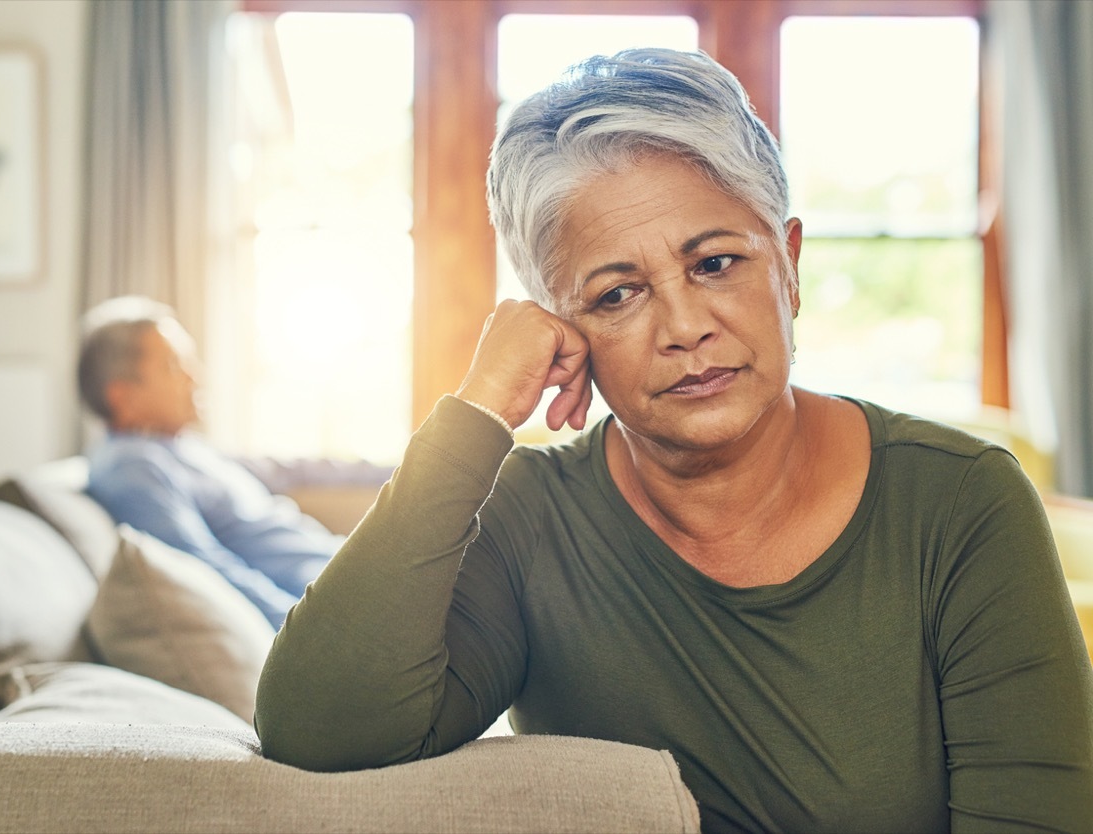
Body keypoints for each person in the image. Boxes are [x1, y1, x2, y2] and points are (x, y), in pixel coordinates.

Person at [253, 48, 1093, 830]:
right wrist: (475, 413)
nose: (686, 327)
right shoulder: (531, 520)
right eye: (618, 294)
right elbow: (315, 731)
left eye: (716, 263)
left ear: (789, 264)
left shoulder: (961, 500)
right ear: (559, 328)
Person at [77, 296, 389, 630]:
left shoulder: (183, 447)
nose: (195, 378)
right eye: (172, 366)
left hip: (355, 574)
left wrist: (412, 469)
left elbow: (290, 469)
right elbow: (206, 571)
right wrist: (305, 633)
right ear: (123, 397)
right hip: (345, 607)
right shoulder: (131, 468)